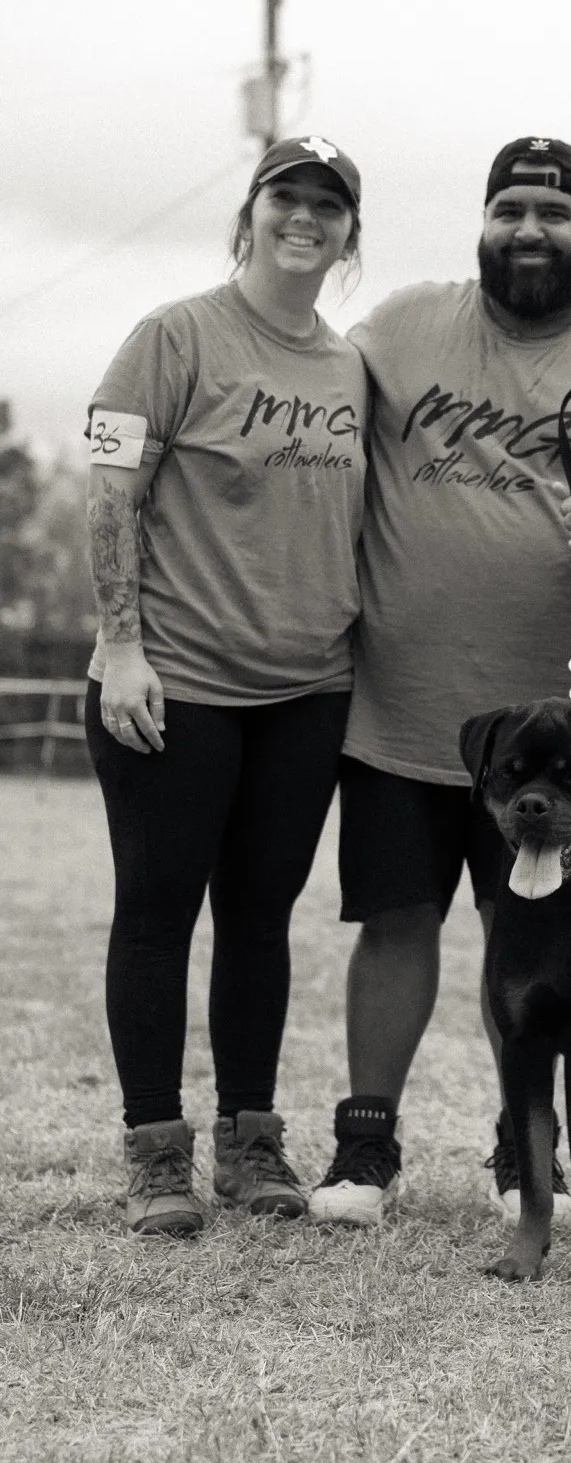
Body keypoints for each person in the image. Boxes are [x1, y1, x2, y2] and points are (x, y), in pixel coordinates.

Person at [308, 136, 571, 1226]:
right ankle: (364, 1151)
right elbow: (312, 404)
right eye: (510, 211)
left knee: (528, 937)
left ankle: (516, 1151)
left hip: (560, 742)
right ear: (483, 223)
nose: (530, 230)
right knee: (395, 922)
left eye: (555, 213)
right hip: (401, 708)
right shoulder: (400, 327)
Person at [85, 136, 369, 1237]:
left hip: (308, 690)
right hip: (179, 683)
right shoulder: (174, 337)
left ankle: (253, 1143)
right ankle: (157, 1151)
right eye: (285, 196)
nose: (305, 217)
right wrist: (122, 645)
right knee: (159, 916)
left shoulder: (350, 367)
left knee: (260, 920)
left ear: (350, 234)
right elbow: (112, 494)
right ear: (248, 215)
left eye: (328, 205)